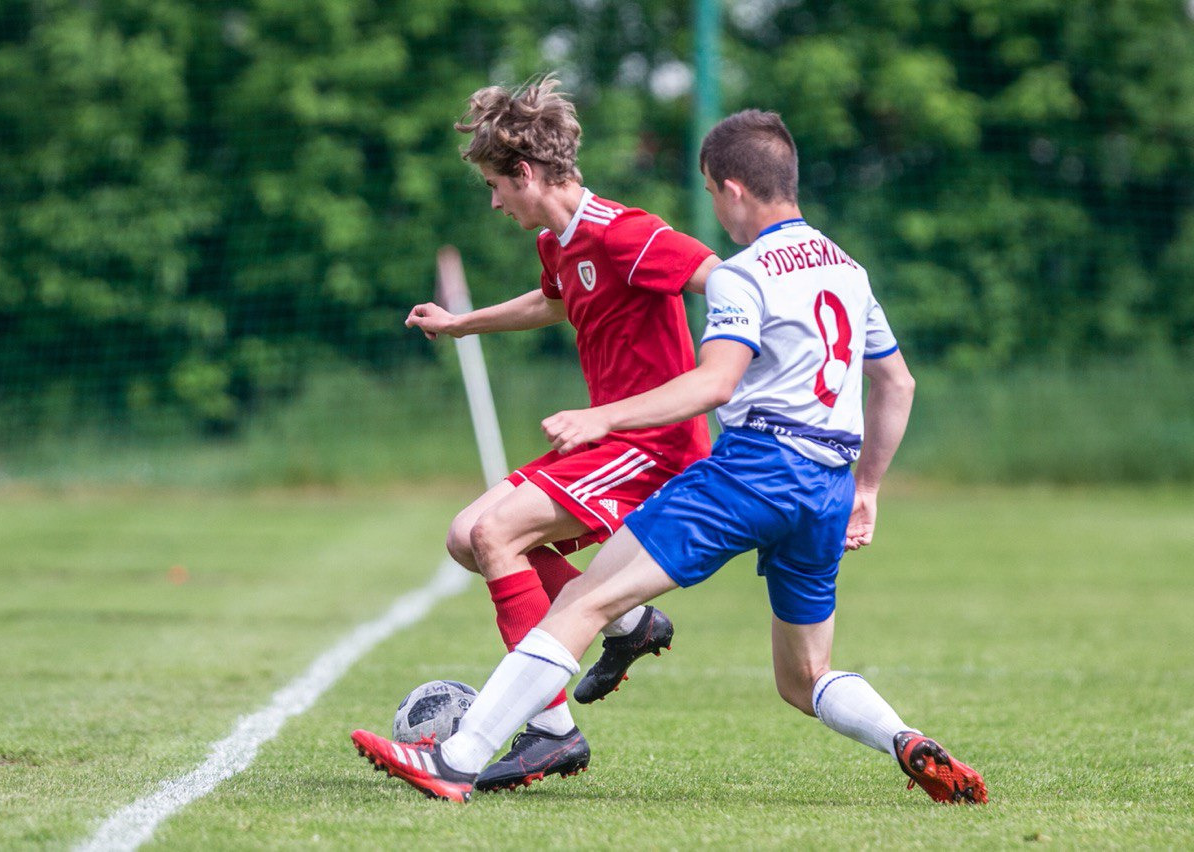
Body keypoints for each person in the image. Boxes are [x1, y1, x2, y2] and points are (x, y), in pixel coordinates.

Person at [354, 109, 988, 806]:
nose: (711, 208)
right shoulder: (848, 269)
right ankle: (904, 738)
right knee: (805, 677)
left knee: (581, 601)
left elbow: (713, 384)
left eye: (711, 192)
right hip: (828, 486)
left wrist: (602, 416)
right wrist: (867, 490)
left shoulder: (741, 274)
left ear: (733, 189)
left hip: (751, 471)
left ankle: (459, 758)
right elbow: (897, 384)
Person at [401, 76, 719, 792]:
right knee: (465, 536)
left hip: (655, 446)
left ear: (525, 173)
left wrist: (752, 361)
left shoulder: (625, 231)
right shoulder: (558, 241)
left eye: (495, 186)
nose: (494, 202)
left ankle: (549, 733)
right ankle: (629, 624)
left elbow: (720, 278)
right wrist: (462, 324)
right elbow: (555, 303)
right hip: (608, 441)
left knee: (496, 536)